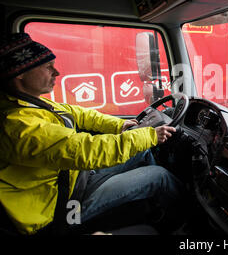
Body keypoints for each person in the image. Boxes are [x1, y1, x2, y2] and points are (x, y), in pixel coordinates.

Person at [0, 33, 185, 235]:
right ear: (20, 73)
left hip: (74, 180)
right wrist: (149, 135)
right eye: (47, 67)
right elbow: (84, 150)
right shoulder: (16, 124)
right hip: (60, 209)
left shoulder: (29, 103)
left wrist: (120, 126)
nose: (57, 72)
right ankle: (185, 227)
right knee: (159, 177)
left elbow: (78, 114)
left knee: (142, 152)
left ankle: (151, 206)